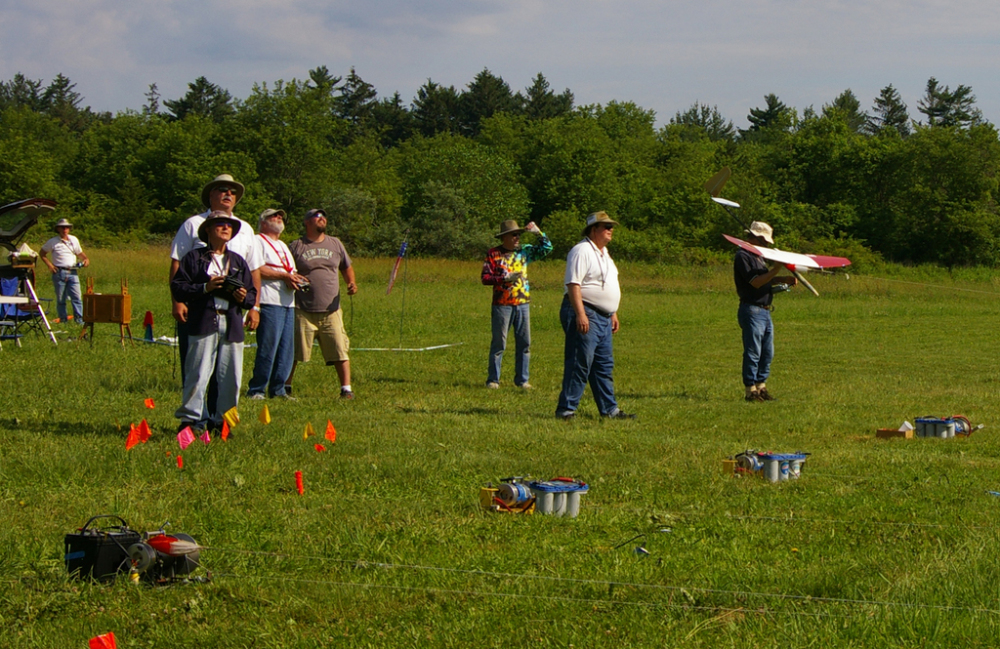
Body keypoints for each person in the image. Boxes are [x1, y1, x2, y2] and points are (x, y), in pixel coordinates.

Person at [169, 174, 264, 381]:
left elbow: (254, 270)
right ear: (211, 195)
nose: (228, 194)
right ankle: (195, 412)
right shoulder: (193, 224)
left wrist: (254, 307)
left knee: (226, 371)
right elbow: (177, 262)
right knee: (196, 365)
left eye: (233, 192)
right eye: (223, 190)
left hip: (231, 311)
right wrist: (177, 301)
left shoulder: (245, 228)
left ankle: (219, 413)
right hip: (198, 307)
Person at [170, 212, 257, 433]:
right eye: (220, 224)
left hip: (232, 322)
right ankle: (191, 421)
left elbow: (251, 294)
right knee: (198, 371)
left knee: (231, 376)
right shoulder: (193, 258)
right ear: (208, 230)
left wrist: (243, 298)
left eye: (229, 225)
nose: (225, 227)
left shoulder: (238, 261)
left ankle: (224, 422)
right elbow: (178, 287)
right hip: (204, 320)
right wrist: (204, 288)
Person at [555, 211, 635, 420]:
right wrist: (580, 314)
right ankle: (566, 409)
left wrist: (612, 312)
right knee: (580, 361)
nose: (611, 230)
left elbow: (607, 284)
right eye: (606, 227)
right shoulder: (581, 251)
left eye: (611, 227)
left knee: (603, 364)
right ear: (593, 230)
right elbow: (573, 283)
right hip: (585, 311)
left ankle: (610, 410)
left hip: (603, 316)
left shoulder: (604, 253)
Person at [286, 209, 358, 399]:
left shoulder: (335, 243)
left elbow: (346, 267)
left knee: (340, 348)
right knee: (293, 351)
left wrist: (351, 283)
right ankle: (285, 386)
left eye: (324, 216)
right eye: (317, 217)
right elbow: (286, 271)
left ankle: (346, 388)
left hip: (331, 309)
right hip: (303, 308)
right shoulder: (296, 246)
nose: (322, 219)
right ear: (307, 222)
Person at [480, 219, 552, 389]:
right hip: (502, 304)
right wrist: (503, 279)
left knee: (524, 343)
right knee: (499, 343)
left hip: (522, 303)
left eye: (519, 234)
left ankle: (522, 380)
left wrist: (538, 233)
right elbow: (485, 278)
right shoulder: (494, 254)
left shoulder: (524, 251)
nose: (517, 237)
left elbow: (547, 248)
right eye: (514, 235)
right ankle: (493, 379)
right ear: (505, 237)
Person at [247, 208, 307, 400]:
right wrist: (284, 275)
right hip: (269, 299)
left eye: (281, 216)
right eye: (274, 216)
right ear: (263, 222)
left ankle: (278, 389)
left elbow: (289, 270)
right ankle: (256, 389)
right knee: (268, 346)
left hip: (288, 302)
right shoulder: (257, 241)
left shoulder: (282, 244)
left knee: (286, 348)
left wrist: (297, 279)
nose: (279, 218)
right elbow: (256, 268)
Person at [734, 221, 797, 402]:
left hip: (765, 310)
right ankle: (750, 390)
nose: (768, 245)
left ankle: (761, 387)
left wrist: (781, 278)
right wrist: (776, 268)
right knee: (753, 351)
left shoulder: (758, 256)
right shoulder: (743, 256)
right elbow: (755, 282)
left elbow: (765, 279)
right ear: (757, 238)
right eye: (765, 242)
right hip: (752, 309)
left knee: (767, 352)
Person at [40, 218, 89, 323]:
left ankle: (79, 320)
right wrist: (50, 265)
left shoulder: (74, 239)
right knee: (61, 298)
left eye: (66, 227)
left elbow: (79, 252)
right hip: (59, 272)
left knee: (76, 296)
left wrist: (85, 259)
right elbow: (42, 253)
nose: (65, 229)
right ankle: (63, 319)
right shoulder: (52, 242)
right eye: (62, 227)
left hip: (73, 271)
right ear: (58, 229)